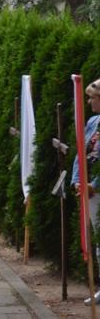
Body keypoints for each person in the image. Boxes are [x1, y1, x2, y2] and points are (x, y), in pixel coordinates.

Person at [71, 77, 100, 305]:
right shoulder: (92, 122)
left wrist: (95, 184)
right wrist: (77, 181)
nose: (89, 102)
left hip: (96, 188)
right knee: (98, 238)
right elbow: (80, 152)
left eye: (92, 98)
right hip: (90, 192)